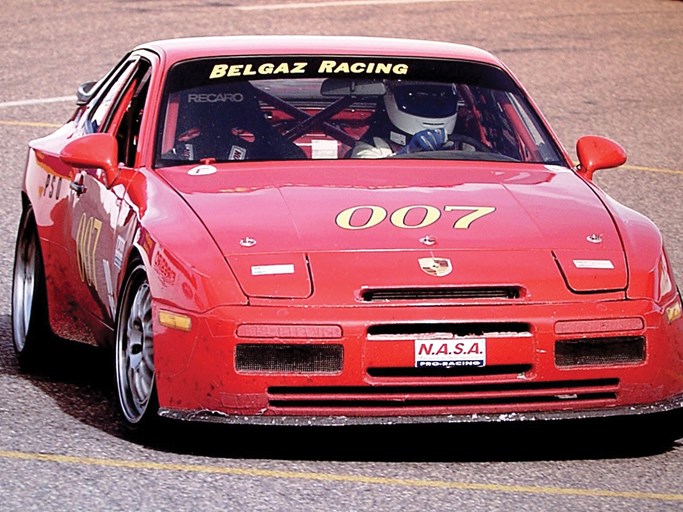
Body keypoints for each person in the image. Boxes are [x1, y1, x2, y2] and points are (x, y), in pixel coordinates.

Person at [351, 81, 459, 158]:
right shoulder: (370, 149)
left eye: (439, 100)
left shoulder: (466, 146)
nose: (431, 107)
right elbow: (370, 179)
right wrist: (407, 153)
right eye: (418, 99)